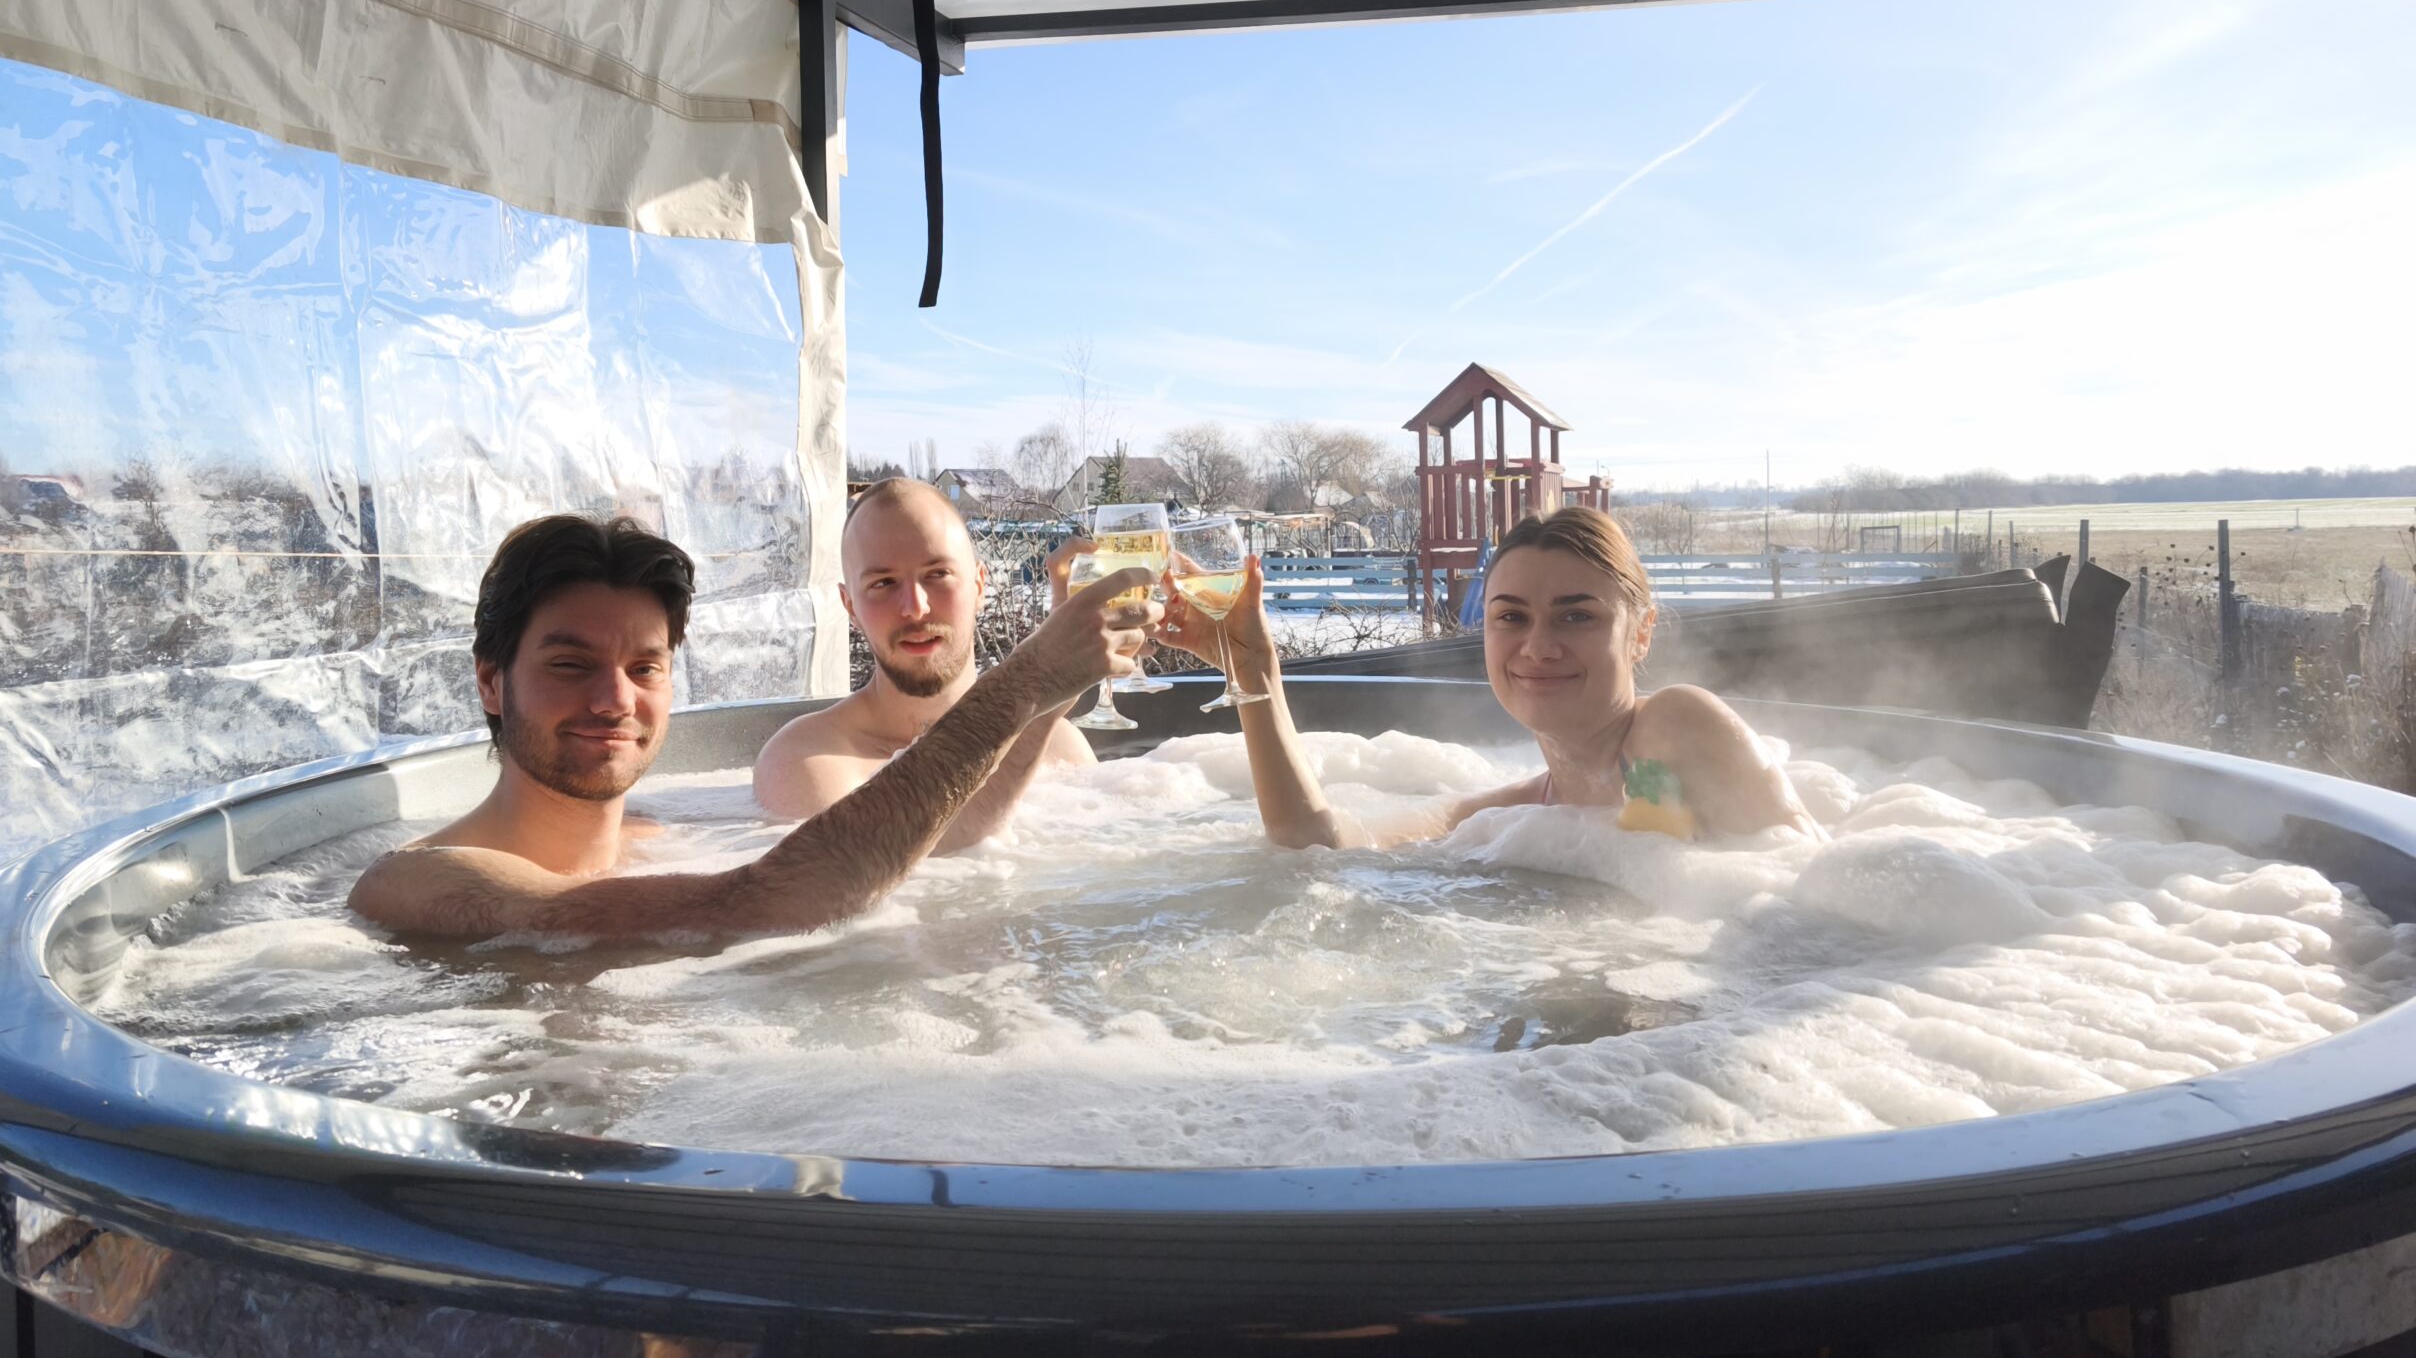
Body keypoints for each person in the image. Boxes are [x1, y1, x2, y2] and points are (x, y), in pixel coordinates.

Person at [348, 512, 1158, 940]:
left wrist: (1054, 689)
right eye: (570, 664)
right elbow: (768, 903)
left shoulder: (680, 834)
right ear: (491, 682)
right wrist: (1024, 680)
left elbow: (942, 837)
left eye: (645, 667)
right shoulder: (420, 881)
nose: (614, 698)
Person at [1155, 505, 1814, 850]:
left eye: (1576, 616)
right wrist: (1254, 670)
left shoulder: (1672, 728)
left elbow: (1808, 900)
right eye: (1511, 617)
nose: (1538, 646)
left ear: (1640, 633)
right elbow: (1317, 845)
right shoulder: (1522, 814)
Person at [753, 479, 1095, 843]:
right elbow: (882, 863)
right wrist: (1038, 691)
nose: (915, 608)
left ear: (979, 585)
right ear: (850, 607)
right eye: (884, 583)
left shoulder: (1060, 747)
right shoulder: (807, 760)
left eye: (937, 574)